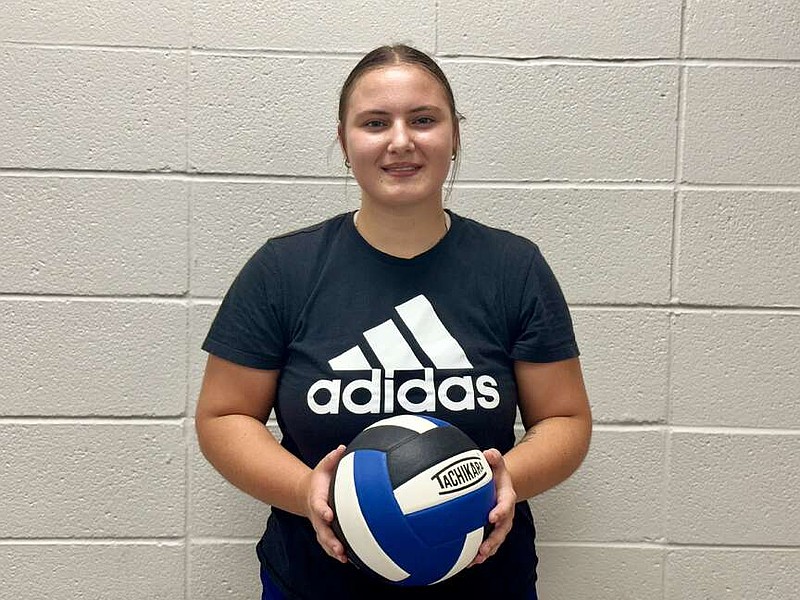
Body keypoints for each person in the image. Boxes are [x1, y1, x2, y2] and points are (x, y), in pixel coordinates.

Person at [196, 44, 592, 600]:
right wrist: (308, 489)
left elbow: (566, 417)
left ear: (455, 135)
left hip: (485, 582)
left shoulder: (513, 268)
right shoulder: (283, 270)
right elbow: (223, 415)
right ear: (345, 141)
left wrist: (510, 478)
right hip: (315, 582)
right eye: (375, 123)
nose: (401, 141)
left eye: (424, 120)